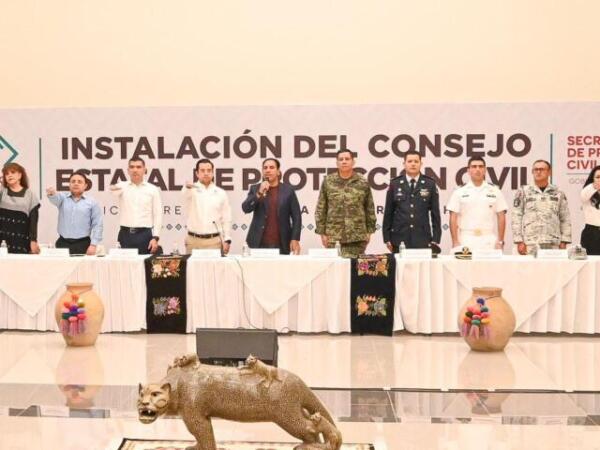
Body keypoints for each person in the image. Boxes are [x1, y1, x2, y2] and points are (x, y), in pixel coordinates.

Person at [315, 149, 376, 258]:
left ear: (353, 162)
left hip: (357, 237)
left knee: (355, 270)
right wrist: (322, 233)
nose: (344, 161)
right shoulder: (328, 181)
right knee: (335, 270)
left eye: (347, 159)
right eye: (341, 159)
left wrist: (369, 232)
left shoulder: (362, 182)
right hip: (333, 237)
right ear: (337, 163)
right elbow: (321, 208)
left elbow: (369, 208)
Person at [382, 150, 441, 252]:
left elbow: (435, 214)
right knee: (400, 268)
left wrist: (436, 238)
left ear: (421, 164)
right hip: (398, 238)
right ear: (404, 164)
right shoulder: (394, 184)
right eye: (409, 161)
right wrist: (386, 238)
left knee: (422, 268)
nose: (413, 164)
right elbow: (388, 213)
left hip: (422, 238)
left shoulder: (429, 184)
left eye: (416, 161)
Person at [242, 158, 302, 255]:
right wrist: (259, 193)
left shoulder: (288, 191)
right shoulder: (255, 188)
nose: (268, 170)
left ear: (278, 172)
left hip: (282, 243)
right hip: (258, 243)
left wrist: (295, 238)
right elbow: (246, 208)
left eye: (271, 167)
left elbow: (297, 217)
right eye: (265, 168)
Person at [447, 157, 508, 251]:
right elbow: (453, 217)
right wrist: (455, 241)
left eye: (480, 166)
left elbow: (501, 216)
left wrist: (500, 241)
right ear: (468, 170)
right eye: (474, 167)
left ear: (485, 170)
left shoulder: (495, 191)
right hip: (466, 239)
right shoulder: (459, 192)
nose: (477, 169)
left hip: (488, 239)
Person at [512, 160, 571, 254]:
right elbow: (516, 216)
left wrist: (564, 240)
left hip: (553, 242)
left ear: (549, 172)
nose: (538, 172)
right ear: (532, 172)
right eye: (536, 169)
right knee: (529, 269)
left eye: (542, 169)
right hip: (530, 243)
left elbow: (565, 218)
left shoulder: (558, 193)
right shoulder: (523, 191)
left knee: (552, 269)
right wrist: (519, 240)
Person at [110, 157, 162, 254]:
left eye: (138, 167)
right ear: (128, 170)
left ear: (144, 170)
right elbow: (112, 191)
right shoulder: (122, 186)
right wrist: (113, 188)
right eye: (132, 167)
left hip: (145, 234)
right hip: (125, 235)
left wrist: (155, 237)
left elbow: (158, 215)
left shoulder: (152, 189)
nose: (135, 170)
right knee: (124, 267)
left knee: (145, 267)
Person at [46, 171, 103, 255]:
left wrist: (93, 244)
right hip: (62, 243)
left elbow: (98, 224)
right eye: (73, 181)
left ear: (85, 186)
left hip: (83, 244)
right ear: (69, 184)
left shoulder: (92, 202)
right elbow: (55, 199)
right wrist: (52, 194)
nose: (76, 184)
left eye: (79, 182)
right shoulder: (62, 198)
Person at [183, 159, 232, 254]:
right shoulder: (190, 190)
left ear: (213, 173)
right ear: (197, 173)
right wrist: (187, 188)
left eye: (209, 170)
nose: (206, 173)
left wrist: (227, 239)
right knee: (192, 269)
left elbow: (226, 218)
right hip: (193, 241)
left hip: (214, 241)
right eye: (202, 170)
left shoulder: (220, 193)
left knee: (215, 269)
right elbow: (184, 197)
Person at [0, 163, 40, 254]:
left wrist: (33, 240)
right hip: (2, 241)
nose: (9, 175)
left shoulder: (31, 195)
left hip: (22, 241)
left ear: (20, 175)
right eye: (6, 174)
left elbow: (33, 221)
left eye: (12, 172)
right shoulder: (2, 192)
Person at [580, 165, 600, 255]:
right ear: (592, 179)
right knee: (591, 264)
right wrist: (594, 186)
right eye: (598, 177)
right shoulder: (587, 191)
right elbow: (583, 196)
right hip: (592, 233)